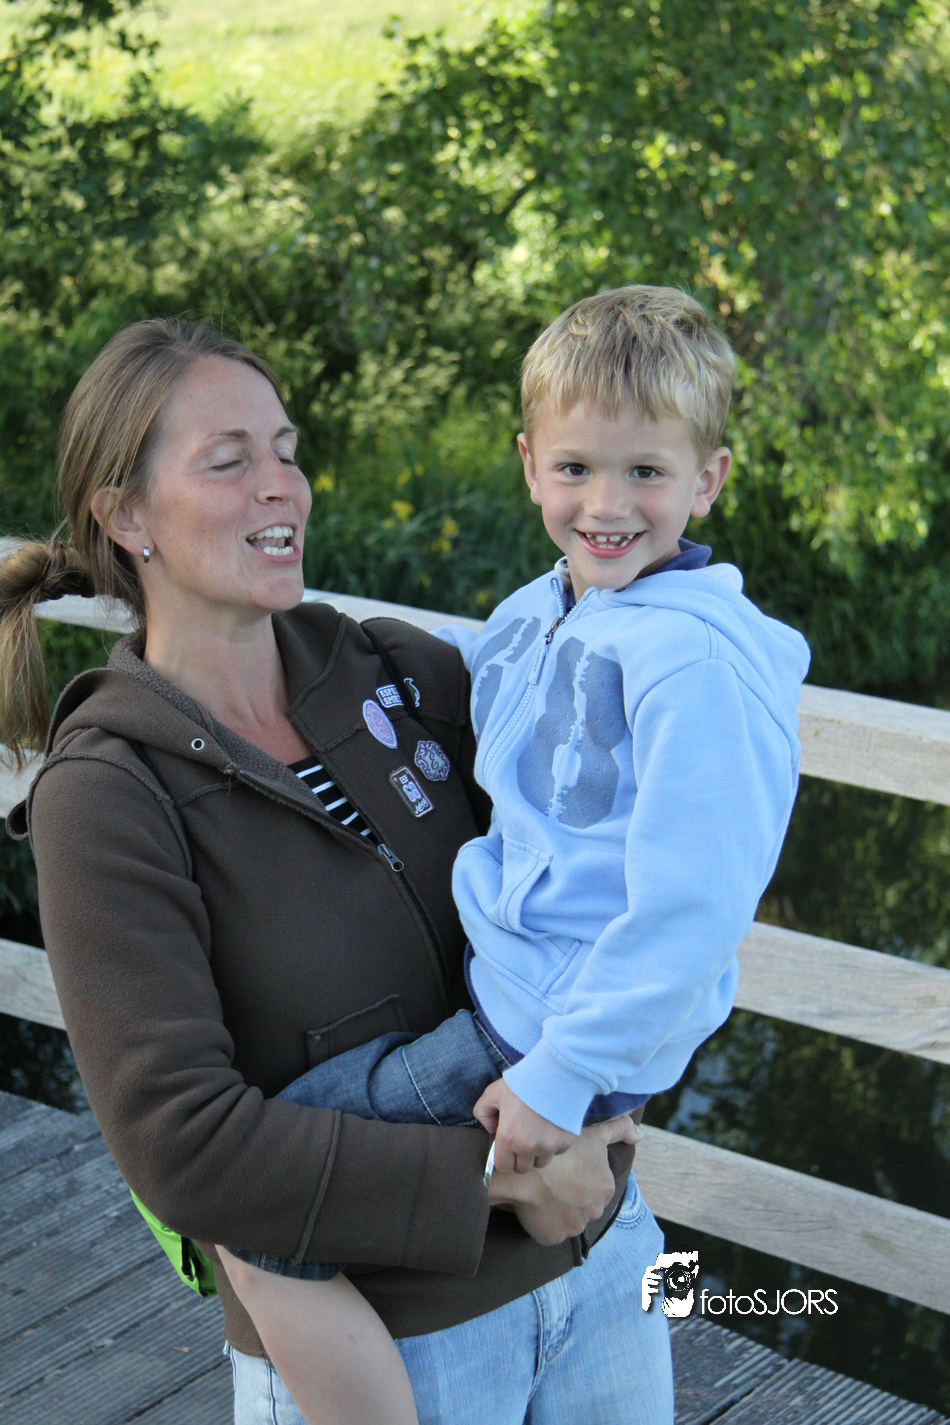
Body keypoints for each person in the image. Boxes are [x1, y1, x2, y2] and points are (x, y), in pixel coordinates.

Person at [0, 316, 672, 1425]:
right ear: (126, 517)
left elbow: (615, 876)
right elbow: (185, 1148)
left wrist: (611, 1118)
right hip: (395, 1343)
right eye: (229, 461)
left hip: (611, 1257)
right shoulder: (107, 795)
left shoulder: (397, 670)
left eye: (286, 449)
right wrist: (498, 1179)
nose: (283, 485)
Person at [215, 285, 811, 1418]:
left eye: (645, 472)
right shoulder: (548, 608)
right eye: (576, 467)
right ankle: (537, 1188)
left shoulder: (693, 663)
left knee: (261, 1179)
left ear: (708, 479)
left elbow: (690, 910)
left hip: (544, 1027)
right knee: (281, 1164)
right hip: (527, 1007)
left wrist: (558, 1080)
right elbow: (475, 691)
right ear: (531, 464)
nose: (606, 505)